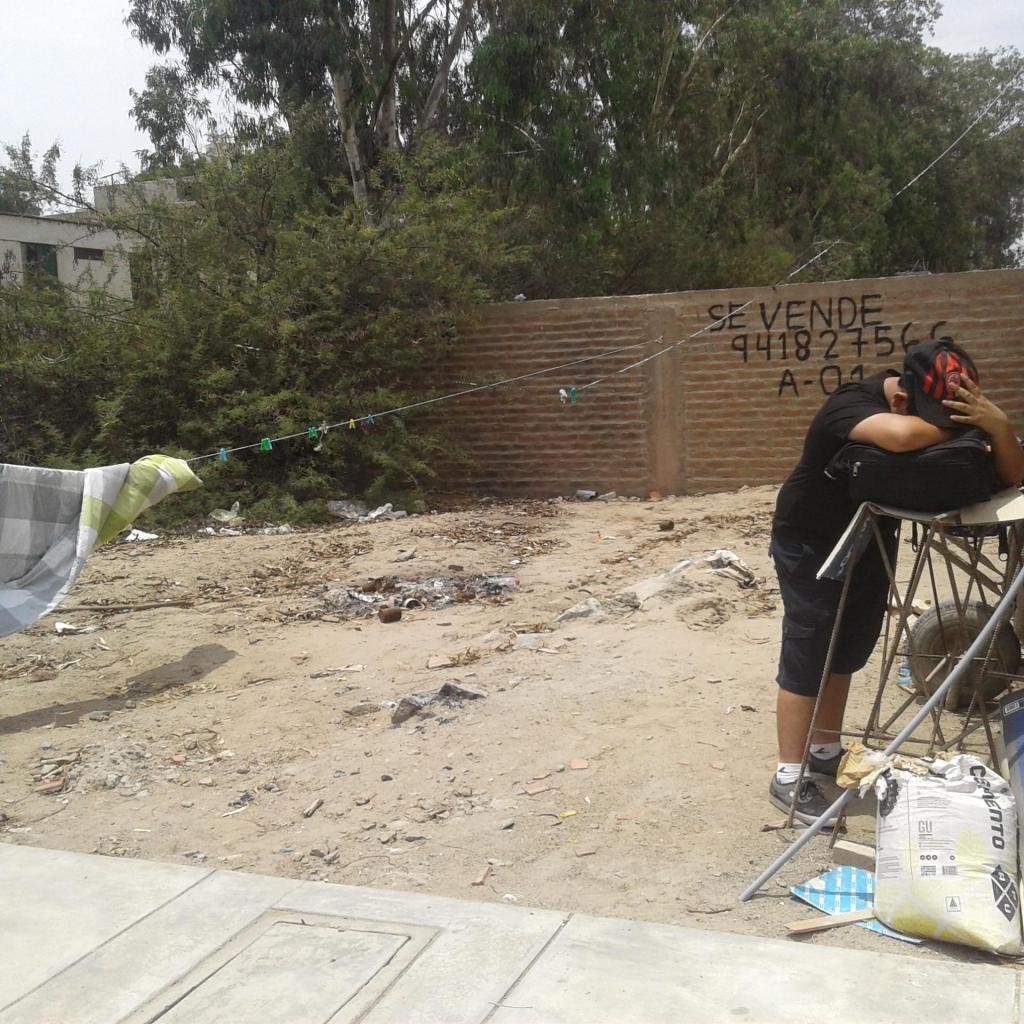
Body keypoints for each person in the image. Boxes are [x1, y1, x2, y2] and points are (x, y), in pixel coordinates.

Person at [769, 340, 1024, 824]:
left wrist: (998, 426)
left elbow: (1014, 472)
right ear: (904, 399)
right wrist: (959, 427)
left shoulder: (927, 413)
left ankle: (824, 748)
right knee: (810, 646)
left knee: (848, 646)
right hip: (810, 540)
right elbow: (903, 438)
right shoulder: (850, 404)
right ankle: (787, 774)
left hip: (868, 538)